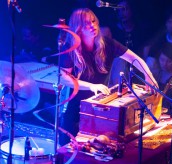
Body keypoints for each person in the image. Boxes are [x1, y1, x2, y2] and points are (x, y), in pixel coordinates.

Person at [59, 8, 158, 145]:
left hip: (101, 106)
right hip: (76, 110)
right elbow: (63, 77)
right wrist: (91, 86)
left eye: (93, 21)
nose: (92, 26)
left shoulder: (107, 43)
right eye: (87, 24)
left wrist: (148, 75)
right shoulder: (70, 47)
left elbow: (134, 59)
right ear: (78, 28)